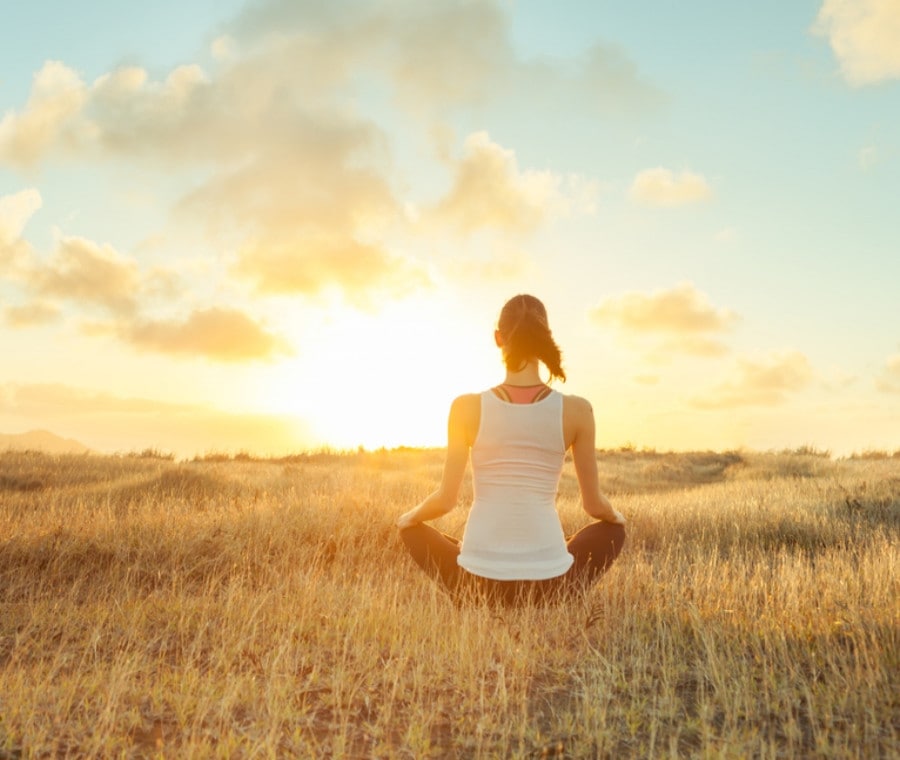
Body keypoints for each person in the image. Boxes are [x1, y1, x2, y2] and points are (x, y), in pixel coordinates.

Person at [397, 294, 626, 607]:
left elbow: (445, 500)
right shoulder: (577, 410)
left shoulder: (465, 407)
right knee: (612, 531)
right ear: (546, 338)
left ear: (498, 338)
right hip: (550, 585)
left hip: (477, 584)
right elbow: (594, 506)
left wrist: (407, 519)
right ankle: (557, 593)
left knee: (415, 531)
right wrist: (618, 517)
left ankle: (474, 593)